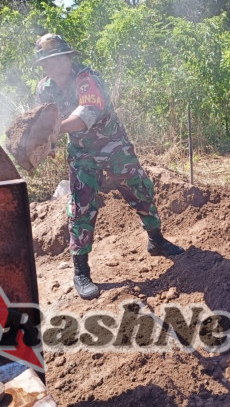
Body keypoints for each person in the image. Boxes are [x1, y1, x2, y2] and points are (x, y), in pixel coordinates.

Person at [32, 33, 184, 300]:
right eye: (50, 61)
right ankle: (81, 271)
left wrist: (53, 132)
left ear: (69, 57)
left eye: (61, 58)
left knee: (140, 191)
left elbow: (86, 114)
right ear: (43, 66)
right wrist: (47, 144)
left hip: (112, 145)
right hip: (81, 152)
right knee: (81, 206)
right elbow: (46, 119)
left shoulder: (88, 79)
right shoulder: (43, 89)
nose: (58, 65)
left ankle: (156, 240)